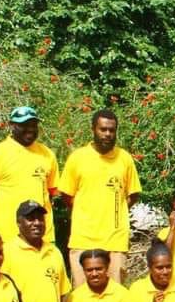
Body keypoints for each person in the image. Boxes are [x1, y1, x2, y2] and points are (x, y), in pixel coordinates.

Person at [58, 109, 142, 286]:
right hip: (83, 239)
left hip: (115, 240)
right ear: (93, 129)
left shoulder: (124, 159)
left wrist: (114, 212)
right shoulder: (77, 158)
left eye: (112, 130)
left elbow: (132, 195)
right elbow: (66, 195)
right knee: (82, 297)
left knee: (115, 297)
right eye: (103, 129)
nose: (107, 134)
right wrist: (87, 210)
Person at [0, 106, 59, 246]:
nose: (30, 129)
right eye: (24, 125)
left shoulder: (47, 154)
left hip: (43, 236)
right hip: (8, 236)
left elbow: (51, 193)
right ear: (12, 126)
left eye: (33, 125)